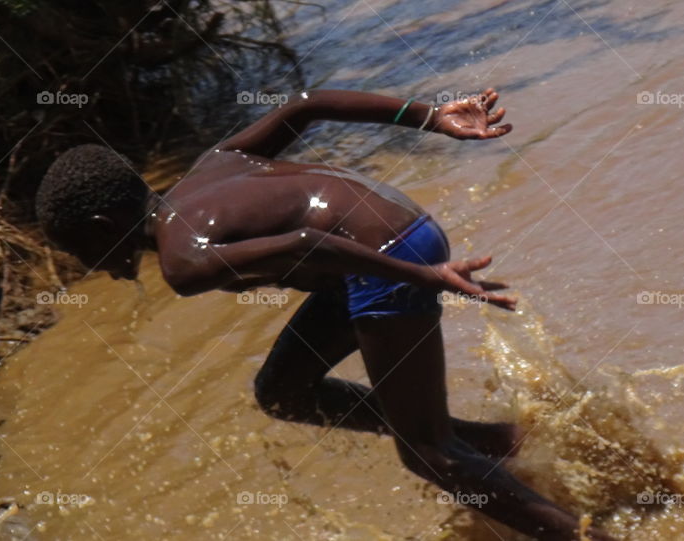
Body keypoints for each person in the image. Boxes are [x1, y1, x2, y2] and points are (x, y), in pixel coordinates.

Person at [35, 88, 615, 541]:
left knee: (424, 454)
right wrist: (431, 117)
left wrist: (430, 278)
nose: (96, 268)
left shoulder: (183, 263)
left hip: (384, 256)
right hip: (392, 231)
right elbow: (309, 105)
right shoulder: (212, 165)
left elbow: (306, 245)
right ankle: (507, 441)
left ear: (101, 229)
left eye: (79, 252)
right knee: (283, 391)